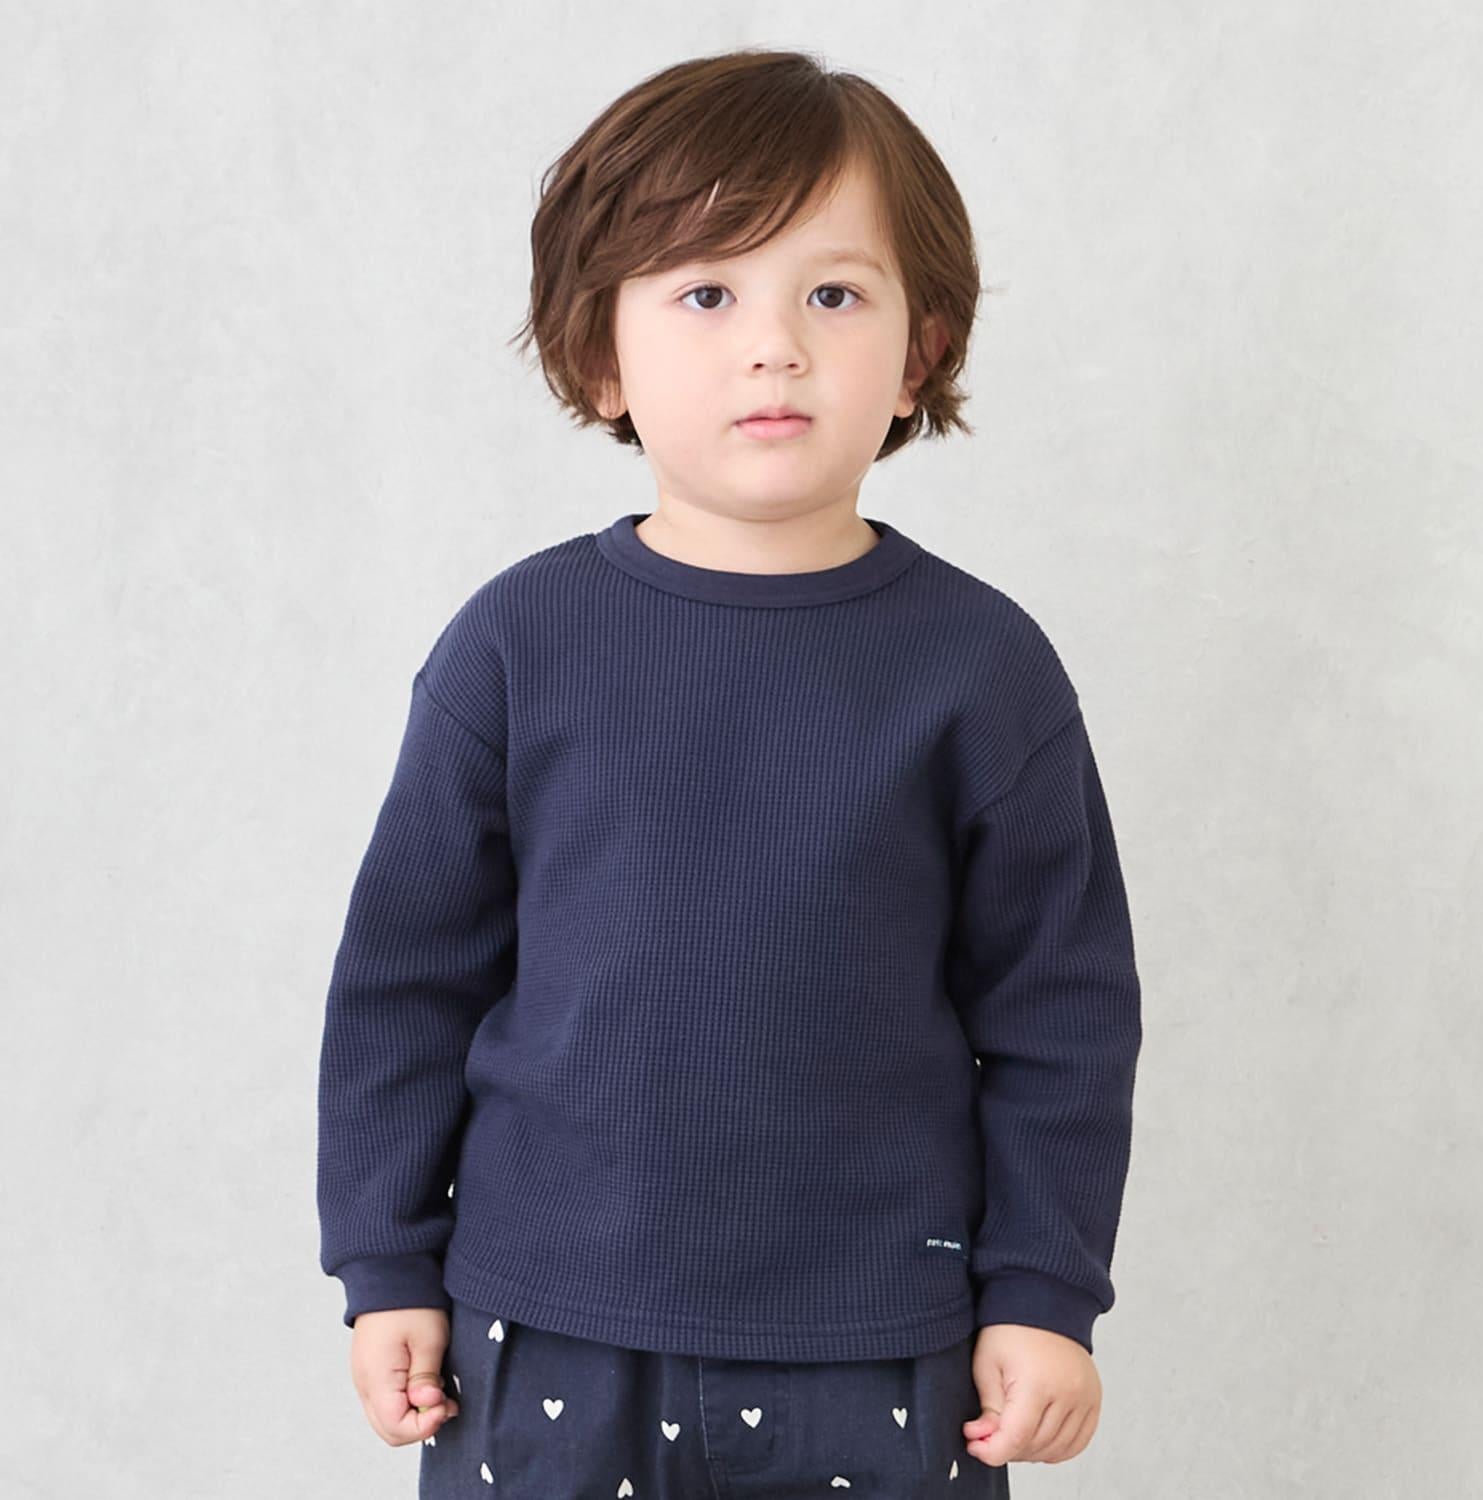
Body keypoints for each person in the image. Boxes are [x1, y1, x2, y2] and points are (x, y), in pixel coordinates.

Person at [316, 46, 1143, 1500]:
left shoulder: (984, 669)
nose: (775, 347)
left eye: (834, 295)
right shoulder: (517, 644)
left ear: (923, 348)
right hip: (545, 1327)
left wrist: (1041, 1292)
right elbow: (407, 978)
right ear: (599, 354)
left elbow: (1061, 1013)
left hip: (886, 1346)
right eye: (707, 294)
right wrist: (385, 1260)